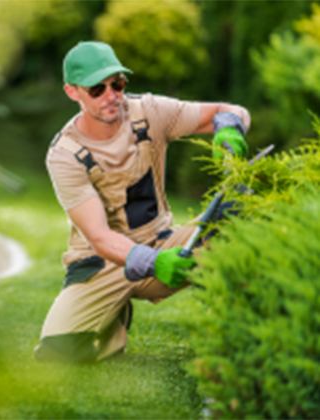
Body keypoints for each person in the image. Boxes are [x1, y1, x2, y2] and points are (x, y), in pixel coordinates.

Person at [34, 41, 250, 363]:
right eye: (97, 89)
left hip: (164, 242)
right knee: (58, 354)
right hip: (102, 263)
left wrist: (228, 130)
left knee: (242, 219)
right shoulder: (65, 154)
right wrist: (153, 263)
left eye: (117, 83)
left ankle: (241, 338)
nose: (112, 95)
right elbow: (99, 237)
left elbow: (232, 111)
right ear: (72, 92)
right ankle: (114, 314)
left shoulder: (149, 111)